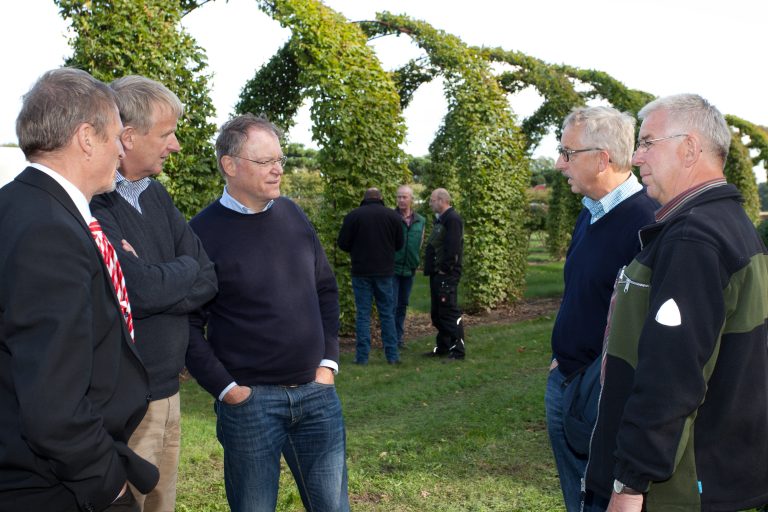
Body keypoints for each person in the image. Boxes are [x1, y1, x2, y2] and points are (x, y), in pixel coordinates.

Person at [585, 94, 768, 511]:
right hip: (717, 475)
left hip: (680, 488)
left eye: (648, 142)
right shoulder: (729, 223)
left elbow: (671, 378)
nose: (635, 157)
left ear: (689, 148)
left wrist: (630, 486)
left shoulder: (694, 239)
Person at [0, 68, 158, 511]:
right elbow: (54, 404)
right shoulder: (48, 230)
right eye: (115, 138)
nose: (120, 150)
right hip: (50, 484)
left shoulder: (19, 207)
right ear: (86, 138)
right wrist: (109, 487)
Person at [186, 114, 349, 512]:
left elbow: (325, 289)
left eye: (281, 159)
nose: (278, 169)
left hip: (316, 396)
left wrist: (327, 364)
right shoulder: (200, 234)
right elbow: (187, 324)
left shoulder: (292, 214)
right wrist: (229, 391)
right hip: (250, 406)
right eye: (265, 161)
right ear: (230, 165)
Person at [90, 75, 218, 512]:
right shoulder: (97, 203)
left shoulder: (156, 195)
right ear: (128, 136)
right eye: (166, 134)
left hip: (168, 391)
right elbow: (138, 291)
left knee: (162, 503)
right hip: (127, 400)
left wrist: (159, 275)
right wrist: (171, 274)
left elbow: (208, 277)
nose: (176, 145)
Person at [546, 106, 657, 512]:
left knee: (599, 498)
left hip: (602, 397)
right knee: (578, 497)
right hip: (568, 380)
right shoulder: (589, 214)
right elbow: (586, 294)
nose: (559, 164)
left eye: (567, 152)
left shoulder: (647, 223)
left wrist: (592, 379)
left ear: (603, 158)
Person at [337, 187, 404, 364]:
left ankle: (362, 357)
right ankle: (392, 355)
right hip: (385, 271)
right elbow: (399, 244)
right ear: (381, 198)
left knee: (363, 314)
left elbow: (343, 243)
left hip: (361, 271)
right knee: (387, 313)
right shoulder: (392, 216)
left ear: (364, 199)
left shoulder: (354, 216)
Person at [423, 188, 465, 360]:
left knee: (449, 312)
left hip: (446, 275)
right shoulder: (441, 220)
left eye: (432, 200)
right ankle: (443, 346)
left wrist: (445, 269)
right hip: (437, 273)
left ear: (441, 200)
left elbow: (453, 247)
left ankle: (458, 350)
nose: (430, 203)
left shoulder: (452, 220)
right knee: (438, 313)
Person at [392, 185, 426, 349]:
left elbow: (419, 243)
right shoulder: (391, 218)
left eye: (404, 197)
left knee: (402, 305)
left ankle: (398, 339)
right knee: (392, 304)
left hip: (410, 269)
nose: (401, 200)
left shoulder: (421, 220)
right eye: (399, 197)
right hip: (393, 268)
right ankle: (390, 340)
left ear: (411, 199)